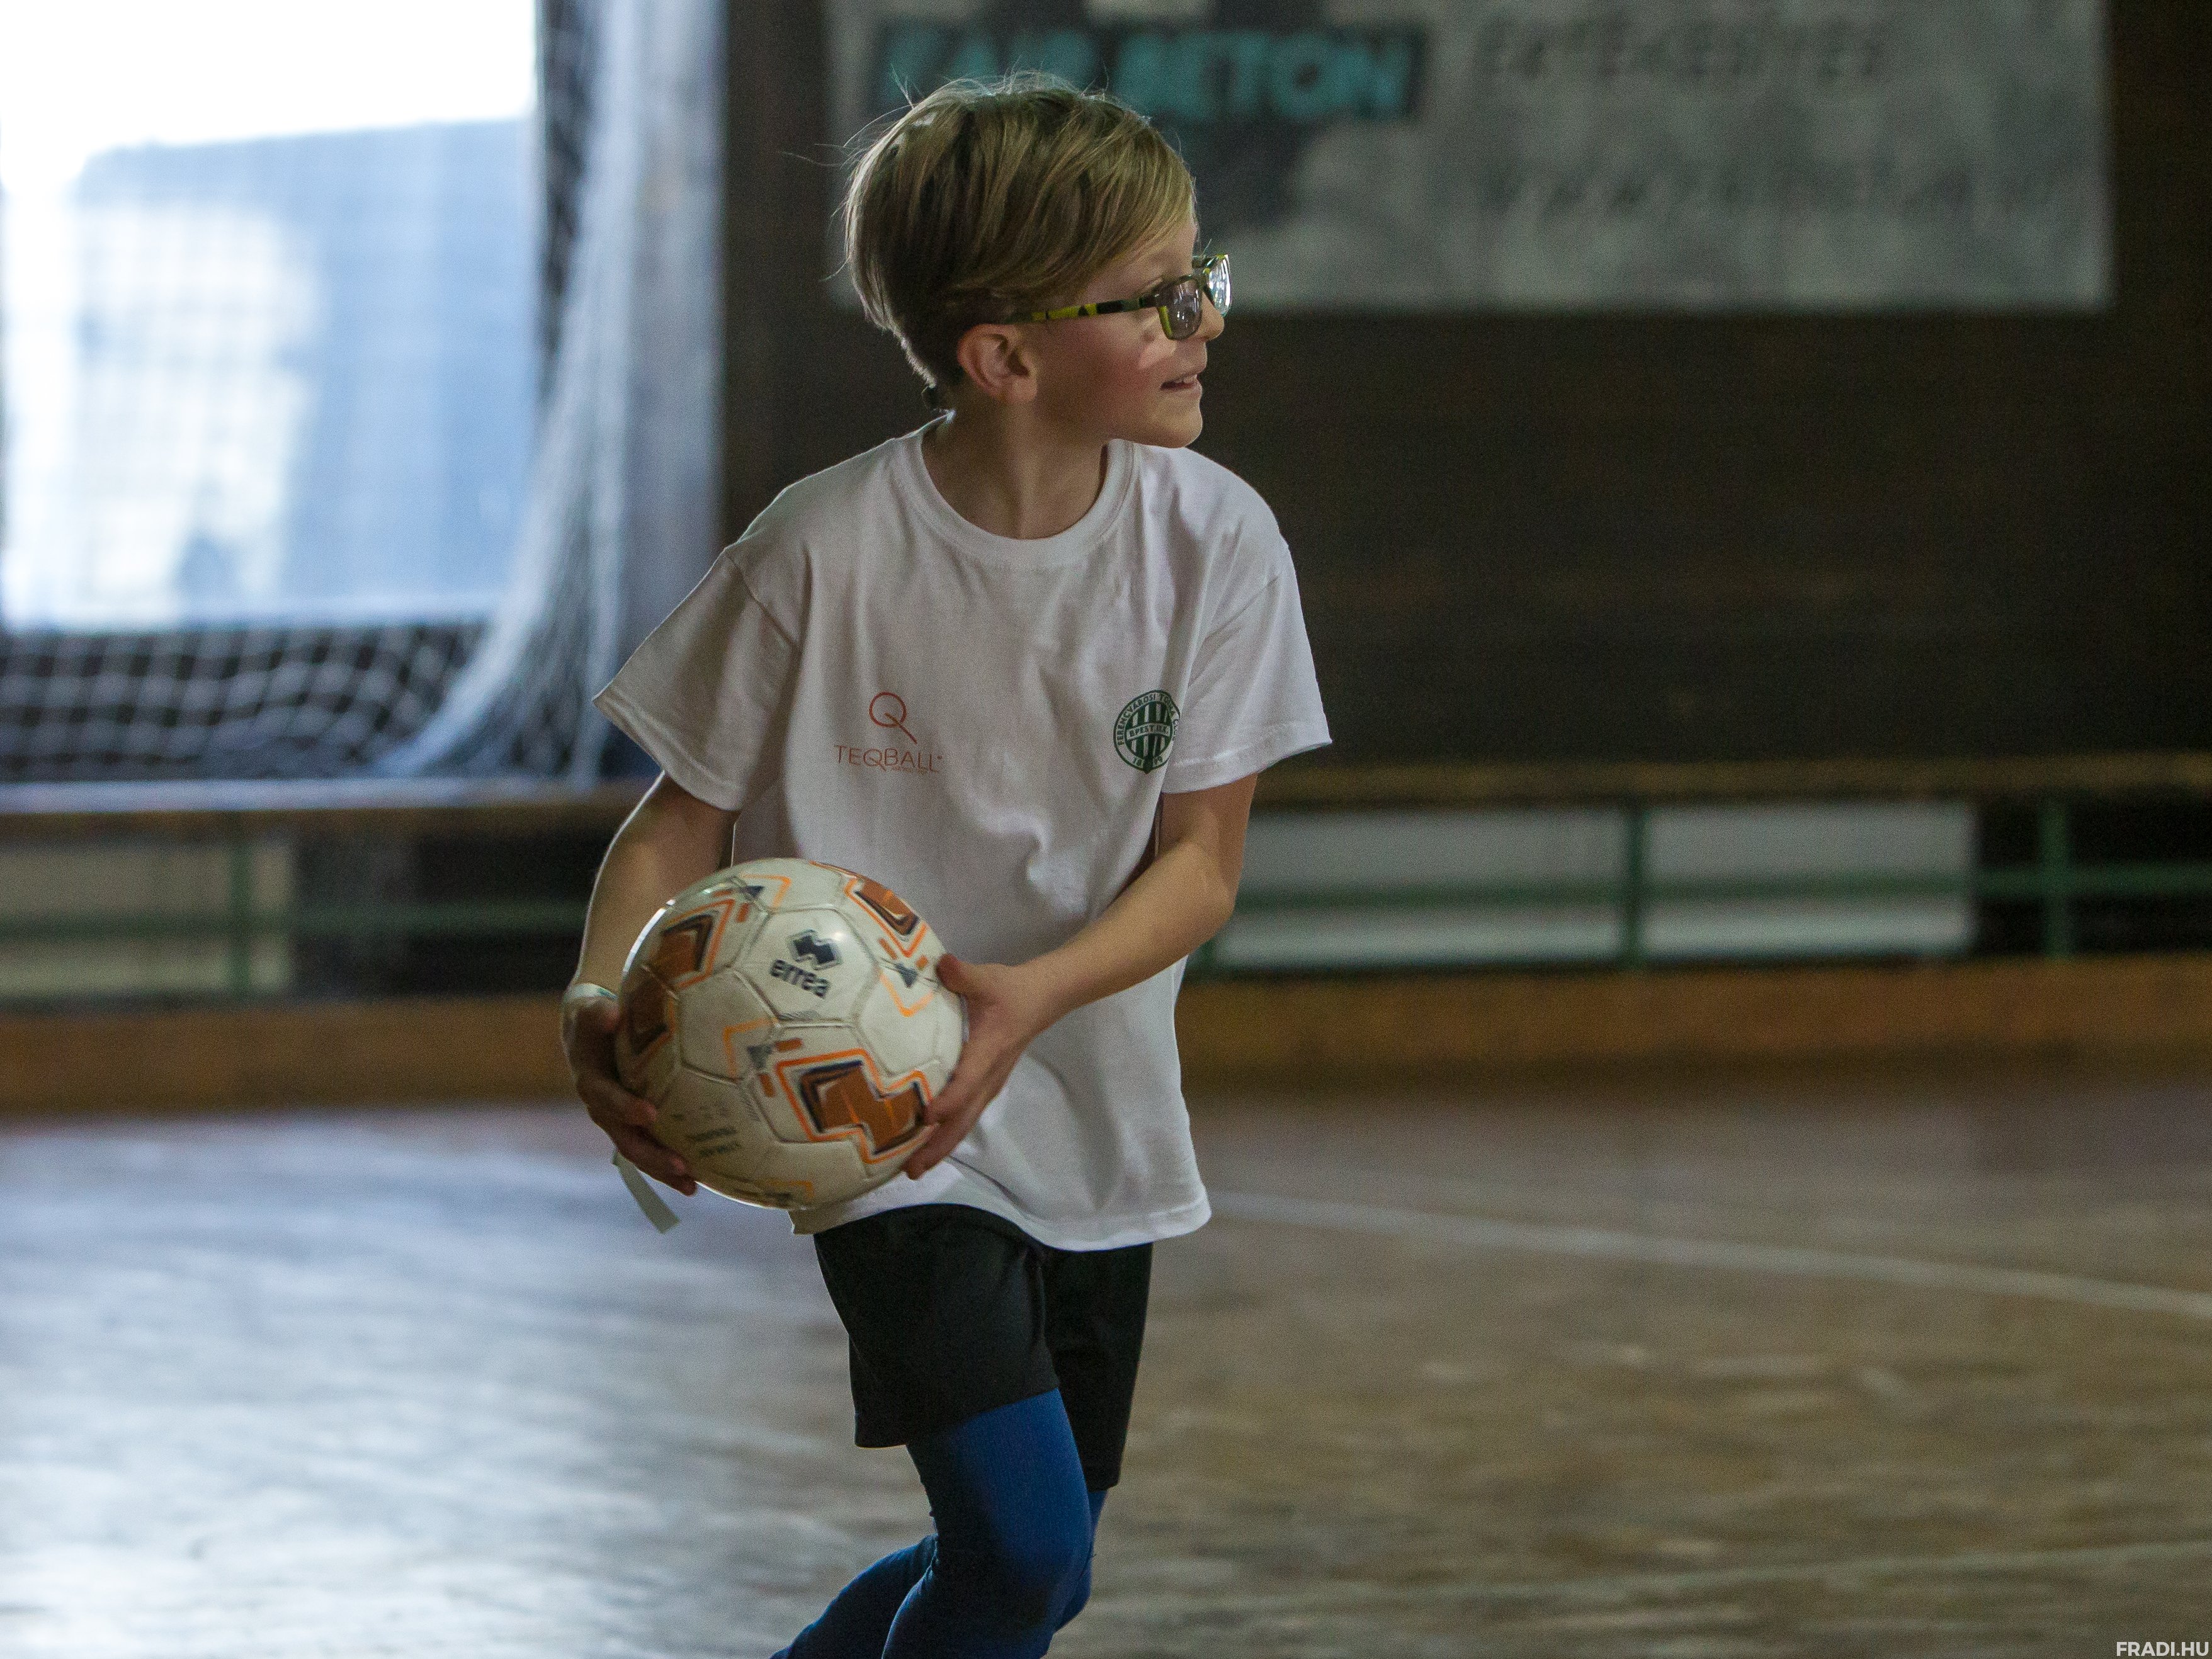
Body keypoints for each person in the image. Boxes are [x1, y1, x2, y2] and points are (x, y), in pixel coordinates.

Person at [560, 72, 1329, 1657]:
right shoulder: (821, 547)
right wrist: (594, 993)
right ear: (1005, 359)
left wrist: (1028, 997)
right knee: (1022, 1545)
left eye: (1200, 277)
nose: (1202, 321)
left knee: (1034, 1567)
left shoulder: (1220, 543)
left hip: (1089, 1100)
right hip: (879, 1121)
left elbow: (1200, 866)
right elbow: (676, 825)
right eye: (1158, 297)